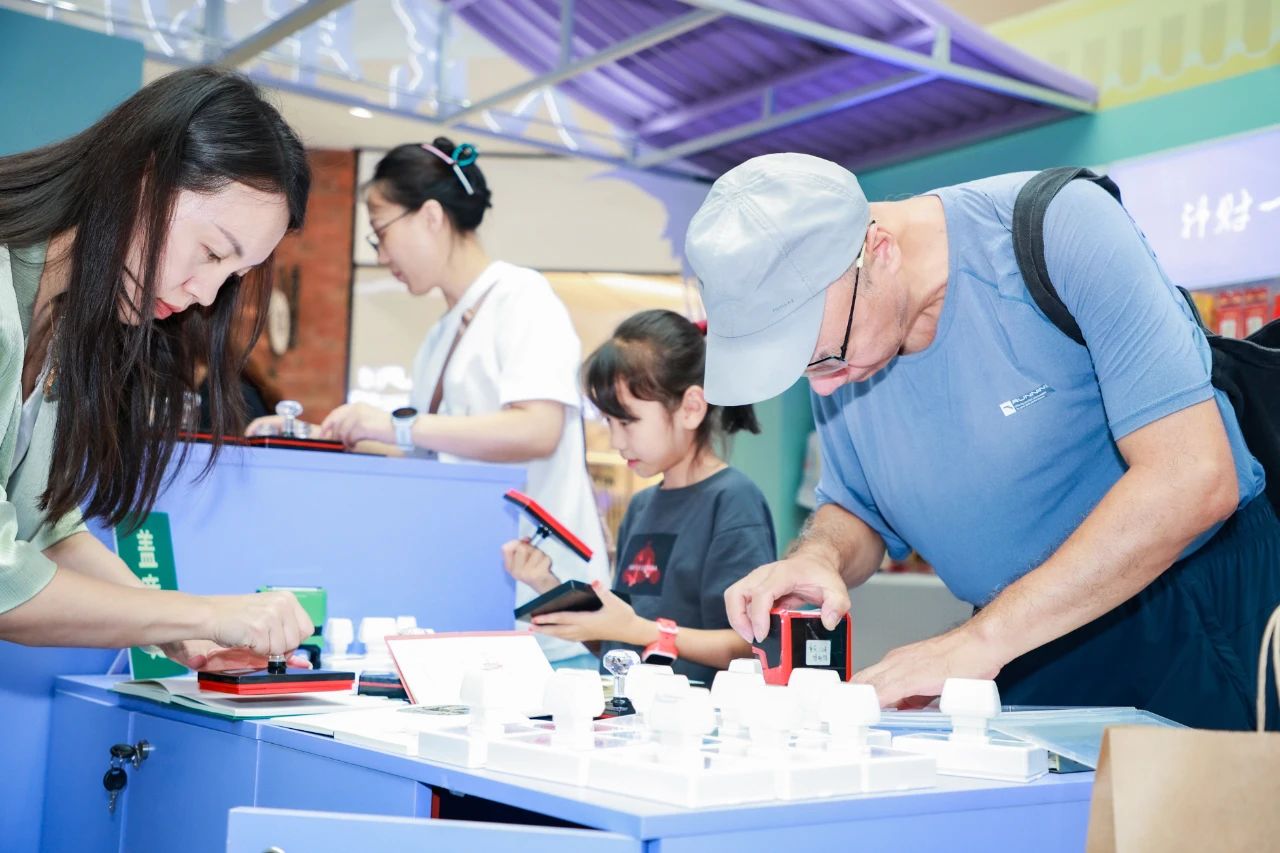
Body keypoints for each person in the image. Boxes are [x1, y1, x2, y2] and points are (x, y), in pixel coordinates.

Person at [687, 153, 1280, 730]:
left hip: (1191, 610)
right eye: (806, 368)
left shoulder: (1060, 229)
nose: (825, 383)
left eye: (825, 357)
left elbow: (1192, 475)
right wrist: (819, 557)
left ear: (879, 250)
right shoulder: (846, 347)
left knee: (1210, 801)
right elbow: (858, 508)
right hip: (1019, 644)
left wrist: (979, 641)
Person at [249, 138, 609, 667]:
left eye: (381, 232)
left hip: (548, 608)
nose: (381, 255)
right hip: (476, 600)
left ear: (432, 216)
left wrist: (398, 426)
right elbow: (428, 459)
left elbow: (538, 429)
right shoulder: (441, 335)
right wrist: (312, 440)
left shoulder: (521, 297)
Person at [0, 67, 315, 668]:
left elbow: (49, 532)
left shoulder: (62, 324)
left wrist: (184, 636)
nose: (205, 294)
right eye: (211, 252)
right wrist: (201, 614)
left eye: (231, 276)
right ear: (142, 173)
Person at [502, 310, 776, 684]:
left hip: (697, 714)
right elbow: (618, 643)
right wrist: (547, 585)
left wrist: (643, 631)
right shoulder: (641, 506)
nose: (616, 440)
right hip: (629, 710)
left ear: (691, 408)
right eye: (609, 422)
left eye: (627, 422)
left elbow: (751, 646)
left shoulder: (732, 500)